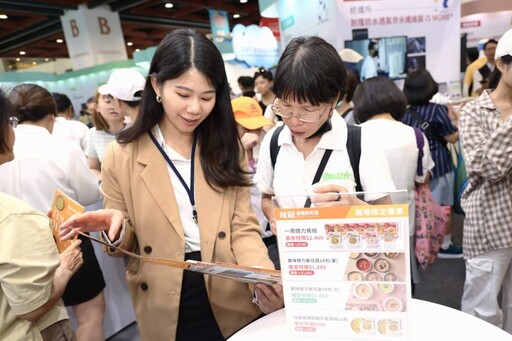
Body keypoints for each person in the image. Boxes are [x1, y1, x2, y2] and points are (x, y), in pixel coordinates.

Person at [59, 29, 283, 341]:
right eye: (183, 94)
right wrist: (117, 228)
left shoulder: (225, 145)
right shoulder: (122, 154)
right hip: (165, 298)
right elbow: (125, 244)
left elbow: (242, 225)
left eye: (207, 97)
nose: (194, 108)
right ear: (156, 85)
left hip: (230, 286)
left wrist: (261, 275)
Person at [254, 36, 396, 240]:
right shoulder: (273, 141)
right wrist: (274, 215)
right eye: (285, 106)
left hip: (349, 265)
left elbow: (389, 223)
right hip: (295, 263)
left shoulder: (361, 142)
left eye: (307, 110)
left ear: (335, 100)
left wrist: (354, 206)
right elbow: (267, 197)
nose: (294, 121)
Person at [0, 84, 106, 341]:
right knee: (90, 314)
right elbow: (92, 193)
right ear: (52, 115)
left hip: (12, 257)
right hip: (68, 239)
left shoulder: (14, 152)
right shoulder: (61, 146)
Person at [353, 76, 435, 287]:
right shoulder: (415, 135)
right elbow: (422, 176)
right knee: (401, 282)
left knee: (364, 278)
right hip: (402, 221)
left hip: (361, 223)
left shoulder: (353, 135)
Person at [458, 28, 512, 333]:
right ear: (502, 65)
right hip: (489, 224)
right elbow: (486, 167)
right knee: (483, 310)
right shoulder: (475, 111)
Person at [401, 69, 461, 259]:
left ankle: (421, 242)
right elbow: (451, 138)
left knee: (421, 206)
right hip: (440, 166)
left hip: (415, 168)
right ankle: (444, 244)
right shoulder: (438, 109)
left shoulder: (404, 113)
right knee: (444, 207)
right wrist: (458, 122)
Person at [231, 96, 278, 267]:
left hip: (269, 236)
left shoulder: (265, 152)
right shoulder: (221, 157)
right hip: (241, 240)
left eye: (258, 127)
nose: (255, 132)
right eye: (247, 127)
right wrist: (239, 150)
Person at [86, 89, 126, 182]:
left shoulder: (135, 129)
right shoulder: (93, 134)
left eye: (117, 101)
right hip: (110, 190)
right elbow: (93, 168)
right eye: (108, 101)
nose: (113, 106)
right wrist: (101, 178)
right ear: (97, 107)